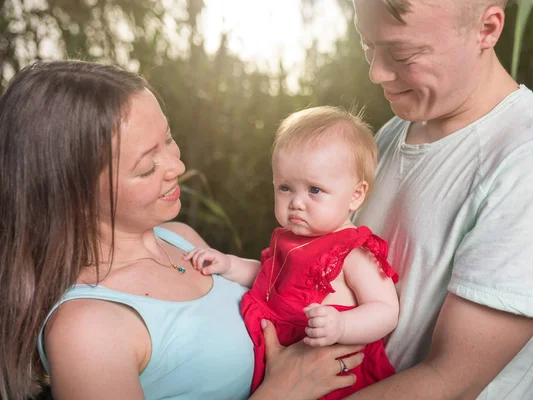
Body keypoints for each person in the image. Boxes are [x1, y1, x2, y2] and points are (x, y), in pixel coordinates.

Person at [0, 60, 365, 400]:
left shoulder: (181, 237)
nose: (177, 165)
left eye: (169, 139)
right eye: (146, 167)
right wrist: (283, 390)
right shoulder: (87, 328)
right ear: (72, 193)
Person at [343, 0, 533, 399]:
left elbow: (450, 382)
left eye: (402, 53)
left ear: (488, 29)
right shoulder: (396, 131)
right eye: (366, 44)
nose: (376, 72)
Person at [185, 106, 400, 399]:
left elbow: (386, 310)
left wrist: (341, 327)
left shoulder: (352, 251)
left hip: (327, 371)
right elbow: (269, 277)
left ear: (355, 195)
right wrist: (228, 264)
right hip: (275, 362)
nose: (296, 202)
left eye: (314, 190)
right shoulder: (288, 239)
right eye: (285, 188)